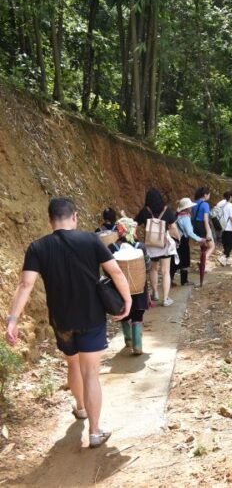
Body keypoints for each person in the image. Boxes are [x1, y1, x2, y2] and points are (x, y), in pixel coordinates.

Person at [5, 198, 131, 449]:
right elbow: (115, 272)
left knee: (72, 364)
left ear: (50, 219)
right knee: (91, 373)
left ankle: (81, 408)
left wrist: (13, 318)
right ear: (74, 216)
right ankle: (95, 432)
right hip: (92, 316)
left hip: (61, 320)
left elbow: (25, 284)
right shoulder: (91, 240)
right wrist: (127, 300)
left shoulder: (38, 247)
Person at [108, 217, 150, 355]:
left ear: (119, 231)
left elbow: (108, 270)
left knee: (124, 313)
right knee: (137, 315)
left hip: (119, 289)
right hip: (139, 288)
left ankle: (128, 340)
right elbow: (147, 266)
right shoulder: (140, 247)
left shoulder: (112, 248)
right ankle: (138, 345)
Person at [134, 188, 178, 307]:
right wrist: (177, 237)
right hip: (164, 244)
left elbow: (134, 225)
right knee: (165, 271)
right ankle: (166, 299)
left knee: (153, 269)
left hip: (151, 245)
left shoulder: (145, 211)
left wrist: (135, 238)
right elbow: (173, 227)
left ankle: (155, 293)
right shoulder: (167, 210)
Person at [173, 197, 204, 286]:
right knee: (185, 261)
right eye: (190, 207)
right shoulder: (185, 217)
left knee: (175, 261)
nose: (191, 208)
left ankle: (171, 279)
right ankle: (184, 280)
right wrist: (200, 239)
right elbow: (189, 232)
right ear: (186, 208)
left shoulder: (178, 215)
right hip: (183, 240)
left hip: (177, 239)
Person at [191, 187, 215, 266]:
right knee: (211, 246)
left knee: (203, 247)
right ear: (205, 195)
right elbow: (205, 219)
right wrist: (208, 232)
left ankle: (202, 265)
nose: (209, 196)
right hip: (203, 226)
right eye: (209, 194)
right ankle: (202, 262)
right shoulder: (205, 205)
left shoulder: (194, 203)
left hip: (195, 226)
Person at [215, 190, 232, 266]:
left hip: (221, 226)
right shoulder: (230, 205)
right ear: (231, 197)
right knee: (231, 243)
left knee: (225, 243)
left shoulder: (220, 203)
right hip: (229, 228)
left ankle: (226, 259)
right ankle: (223, 256)